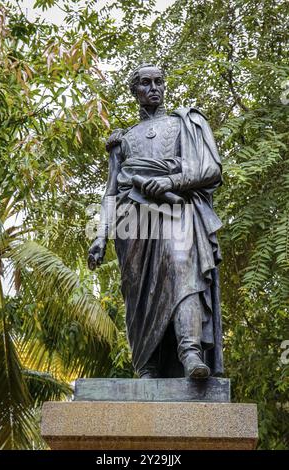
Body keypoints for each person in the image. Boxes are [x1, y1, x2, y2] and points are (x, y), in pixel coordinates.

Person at [88, 63, 223, 379]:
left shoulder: (185, 124)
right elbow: (111, 190)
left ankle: (190, 354)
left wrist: (171, 182)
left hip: (176, 212)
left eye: (158, 82)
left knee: (183, 272)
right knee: (138, 292)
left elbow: (212, 170)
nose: (153, 88)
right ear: (134, 91)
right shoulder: (123, 140)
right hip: (132, 223)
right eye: (145, 83)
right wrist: (100, 236)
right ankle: (146, 367)